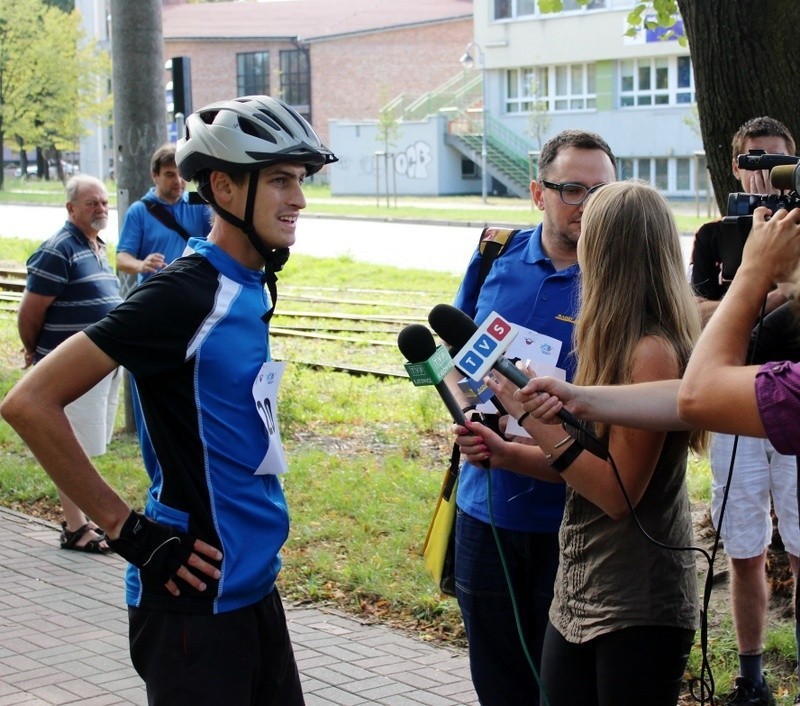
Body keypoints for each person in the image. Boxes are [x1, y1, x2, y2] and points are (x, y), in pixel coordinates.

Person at [0, 95, 337, 704]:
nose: (300, 199)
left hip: (255, 586)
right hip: (193, 601)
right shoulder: (183, 295)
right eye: (282, 180)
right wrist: (128, 531)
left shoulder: (249, 285)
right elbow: (29, 401)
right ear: (225, 189)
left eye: (300, 180)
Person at [456, 181, 704, 706]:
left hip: (636, 599)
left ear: (608, 250)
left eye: (588, 233)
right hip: (581, 583)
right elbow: (588, 463)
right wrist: (508, 454)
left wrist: (530, 415)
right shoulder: (609, 338)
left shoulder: (650, 351)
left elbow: (617, 493)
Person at [448, 129, 616, 705]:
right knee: (496, 674)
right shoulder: (494, 253)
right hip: (486, 506)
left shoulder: (618, 281)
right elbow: (452, 354)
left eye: (602, 191)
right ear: (537, 194)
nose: (588, 205)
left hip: (573, 518)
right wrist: (466, 413)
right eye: (573, 189)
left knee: (565, 685)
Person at [689, 116, 799, 705]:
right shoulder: (714, 235)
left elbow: (719, 315)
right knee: (743, 544)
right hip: (733, 404)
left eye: (775, 160)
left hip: (791, 403)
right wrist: (767, 284)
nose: (762, 174)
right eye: (752, 160)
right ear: (734, 165)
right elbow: (696, 319)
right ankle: (750, 676)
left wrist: (747, 292)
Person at [17, 175, 123, 553]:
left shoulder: (95, 245)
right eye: (91, 203)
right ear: (71, 208)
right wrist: (34, 352)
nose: (100, 209)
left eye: (104, 202)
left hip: (97, 364)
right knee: (68, 446)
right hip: (68, 366)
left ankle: (83, 519)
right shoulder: (59, 248)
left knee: (83, 444)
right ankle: (75, 527)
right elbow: (30, 311)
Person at [116, 143, 212, 285]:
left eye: (181, 175)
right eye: (170, 175)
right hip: (156, 293)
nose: (178, 181)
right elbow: (121, 259)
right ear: (155, 176)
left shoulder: (200, 206)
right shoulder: (139, 211)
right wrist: (141, 265)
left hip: (193, 290)